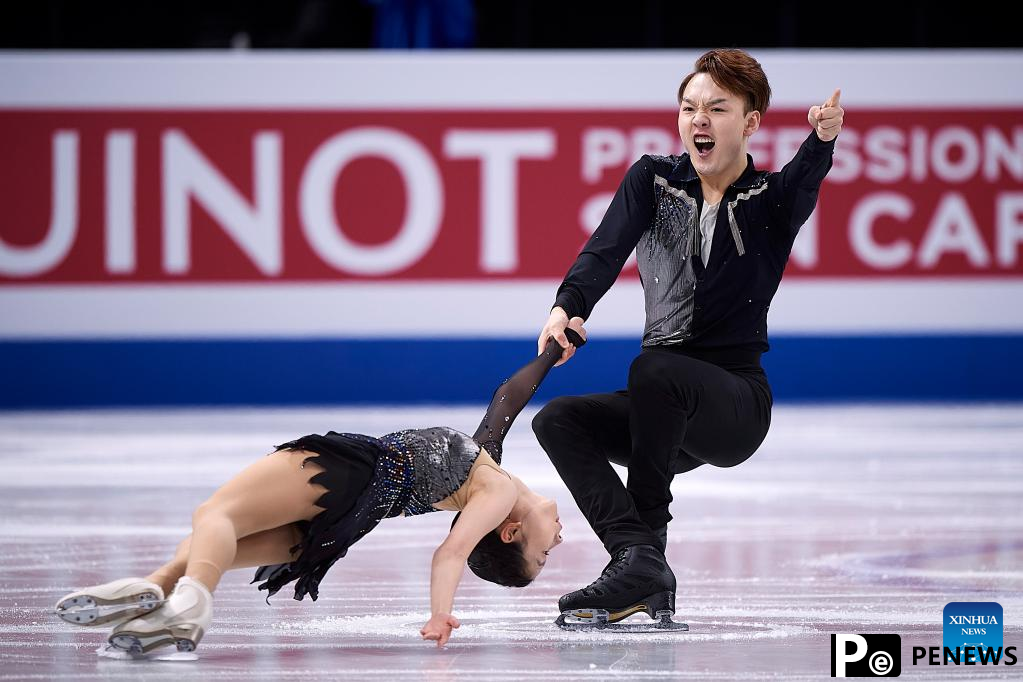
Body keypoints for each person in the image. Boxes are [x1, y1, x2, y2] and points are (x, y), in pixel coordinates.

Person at [531, 48, 844, 628]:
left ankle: (644, 557)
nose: (699, 119)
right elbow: (605, 249)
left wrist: (822, 141)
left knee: (654, 369)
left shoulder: (771, 202)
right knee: (557, 420)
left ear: (750, 122)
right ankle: (638, 556)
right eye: (689, 107)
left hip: (733, 408)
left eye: (717, 108)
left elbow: (804, 180)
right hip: (662, 409)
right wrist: (565, 308)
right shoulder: (652, 181)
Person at [54, 329, 586, 653]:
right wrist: (549, 354)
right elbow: (507, 400)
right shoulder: (487, 470)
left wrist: (437, 612)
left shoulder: (491, 492)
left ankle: (189, 605)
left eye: (541, 553)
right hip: (350, 518)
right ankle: (157, 595)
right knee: (219, 547)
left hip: (352, 471)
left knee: (215, 513)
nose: (557, 542)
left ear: (510, 529)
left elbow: (451, 551)